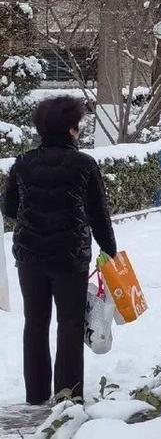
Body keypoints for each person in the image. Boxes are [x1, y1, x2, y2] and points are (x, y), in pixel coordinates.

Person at [1, 96, 117, 405]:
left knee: (35, 322)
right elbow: (98, 213)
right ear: (72, 129)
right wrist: (110, 249)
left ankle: (36, 394)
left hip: (30, 256)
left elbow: (9, 207)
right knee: (70, 323)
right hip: (70, 257)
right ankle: (68, 396)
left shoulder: (23, 162)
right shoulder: (84, 164)